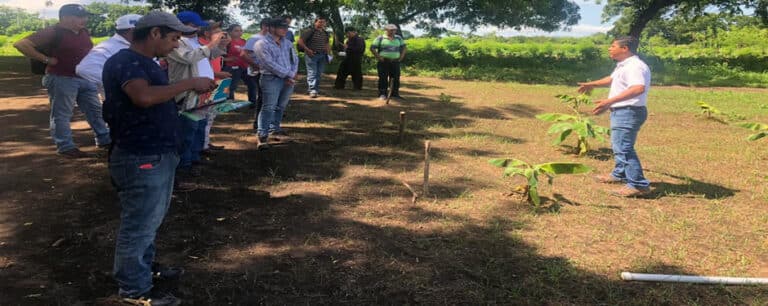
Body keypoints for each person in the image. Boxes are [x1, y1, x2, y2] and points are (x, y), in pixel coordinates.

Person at [102, 10, 216, 306]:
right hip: (141, 155)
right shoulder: (127, 61)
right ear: (155, 33)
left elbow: (153, 100)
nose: (177, 45)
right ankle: (134, 291)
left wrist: (189, 97)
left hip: (156, 151)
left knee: (149, 220)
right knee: (139, 224)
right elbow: (143, 97)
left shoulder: (145, 62)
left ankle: (143, 271)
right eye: (174, 38)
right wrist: (190, 83)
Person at [13, 3, 111, 158]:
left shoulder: (84, 32)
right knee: (62, 114)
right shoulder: (53, 31)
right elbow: (21, 44)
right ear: (65, 17)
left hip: (85, 78)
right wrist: (46, 59)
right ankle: (65, 146)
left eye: (85, 16)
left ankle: (104, 139)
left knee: (95, 110)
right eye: (79, 17)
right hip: (62, 78)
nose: (84, 19)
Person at [577, 36, 652, 197]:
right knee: (619, 145)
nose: (609, 49)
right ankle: (619, 174)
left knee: (623, 147)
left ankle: (638, 185)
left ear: (624, 49)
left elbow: (638, 88)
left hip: (629, 111)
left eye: (613, 46)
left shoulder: (635, 67)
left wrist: (609, 101)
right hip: (623, 110)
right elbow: (611, 79)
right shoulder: (623, 65)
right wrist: (592, 84)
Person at [165, 11, 225, 180]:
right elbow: (190, 59)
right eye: (194, 24)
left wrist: (221, 45)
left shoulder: (194, 41)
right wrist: (212, 43)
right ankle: (183, 166)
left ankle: (194, 157)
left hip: (203, 91)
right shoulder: (176, 43)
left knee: (199, 126)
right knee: (187, 129)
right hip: (187, 93)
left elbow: (209, 55)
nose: (198, 27)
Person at [253, 18, 298, 150]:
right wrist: (288, 74)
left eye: (286, 27)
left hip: (288, 78)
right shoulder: (261, 44)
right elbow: (268, 64)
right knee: (268, 107)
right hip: (270, 78)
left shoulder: (288, 43)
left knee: (281, 106)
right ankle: (262, 135)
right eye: (281, 27)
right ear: (271, 28)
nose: (285, 30)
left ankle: (275, 128)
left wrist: (292, 73)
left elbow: (294, 59)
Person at [77, 13, 143, 97]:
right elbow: (84, 69)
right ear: (132, 30)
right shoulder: (108, 48)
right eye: (145, 31)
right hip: (121, 102)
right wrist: (122, 84)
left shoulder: (137, 45)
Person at [244, 18, 269, 126]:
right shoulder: (254, 38)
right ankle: (258, 122)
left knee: (268, 96)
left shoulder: (271, 39)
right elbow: (245, 54)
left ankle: (266, 120)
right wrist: (254, 65)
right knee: (262, 96)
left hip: (269, 71)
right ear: (264, 26)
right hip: (258, 71)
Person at [370, 24, 406, 101]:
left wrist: (401, 57)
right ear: (386, 30)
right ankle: (382, 94)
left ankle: (395, 94)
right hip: (384, 62)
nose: (393, 32)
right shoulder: (380, 38)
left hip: (395, 61)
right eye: (391, 30)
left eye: (394, 30)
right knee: (383, 77)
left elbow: (404, 47)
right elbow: (372, 48)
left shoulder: (398, 38)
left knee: (396, 78)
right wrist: (379, 57)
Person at [297, 16, 330, 98]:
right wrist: (307, 50)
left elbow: (327, 44)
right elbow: (300, 41)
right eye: (319, 22)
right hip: (312, 55)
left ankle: (315, 89)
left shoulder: (325, 33)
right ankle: (312, 90)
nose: (321, 23)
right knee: (312, 72)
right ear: (315, 22)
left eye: (323, 22)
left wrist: (329, 53)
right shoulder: (310, 31)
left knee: (319, 73)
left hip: (322, 55)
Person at [222, 24, 256, 102]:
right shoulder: (226, 42)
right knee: (231, 87)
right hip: (232, 68)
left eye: (241, 30)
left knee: (252, 85)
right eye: (236, 30)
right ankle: (229, 103)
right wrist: (228, 59)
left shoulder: (244, 41)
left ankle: (253, 103)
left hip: (245, 67)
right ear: (230, 32)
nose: (239, 32)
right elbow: (218, 57)